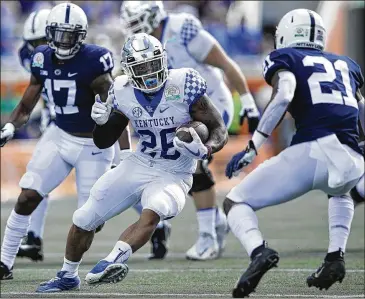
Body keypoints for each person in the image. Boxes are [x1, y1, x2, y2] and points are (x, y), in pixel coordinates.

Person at [35, 33, 228, 293]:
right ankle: (68, 275)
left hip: (174, 173)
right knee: (84, 216)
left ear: (163, 60)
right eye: (141, 67)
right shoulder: (122, 90)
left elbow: (219, 129)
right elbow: (104, 141)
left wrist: (205, 149)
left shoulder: (183, 82)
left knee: (154, 208)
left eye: (152, 64)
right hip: (140, 162)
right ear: (129, 70)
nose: (149, 73)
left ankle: (112, 260)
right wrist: (100, 123)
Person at [224, 9, 364, 298]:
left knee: (235, 202)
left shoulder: (285, 58)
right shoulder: (346, 63)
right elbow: (362, 110)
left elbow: (284, 94)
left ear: (287, 33)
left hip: (314, 150)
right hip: (352, 158)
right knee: (341, 191)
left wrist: (253, 146)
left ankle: (259, 252)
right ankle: (335, 257)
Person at [120, 0, 259, 260]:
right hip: (178, 110)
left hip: (210, 103)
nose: (134, 29)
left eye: (137, 21)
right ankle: (215, 221)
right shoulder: (141, 47)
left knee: (191, 155)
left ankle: (208, 237)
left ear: (153, 16)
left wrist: (248, 103)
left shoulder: (182, 29)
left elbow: (226, 64)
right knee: (175, 165)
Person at [0, 2, 128, 280]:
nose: (62, 41)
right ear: (49, 33)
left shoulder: (95, 61)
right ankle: (4, 262)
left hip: (93, 145)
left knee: (87, 220)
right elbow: (26, 104)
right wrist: (10, 125)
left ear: (81, 36)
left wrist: (125, 155)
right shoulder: (41, 57)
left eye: (69, 35)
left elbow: (117, 111)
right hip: (58, 135)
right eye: (58, 34)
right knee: (27, 196)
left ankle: (70, 273)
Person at [15, 8, 53, 263]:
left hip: (89, 122)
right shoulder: (26, 55)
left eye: (42, 42)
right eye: (34, 43)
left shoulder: (85, 57)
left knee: (114, 179)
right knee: (39, 175)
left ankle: (158, 228)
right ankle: (33, 238)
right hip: (56, 122)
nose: (37, 48)